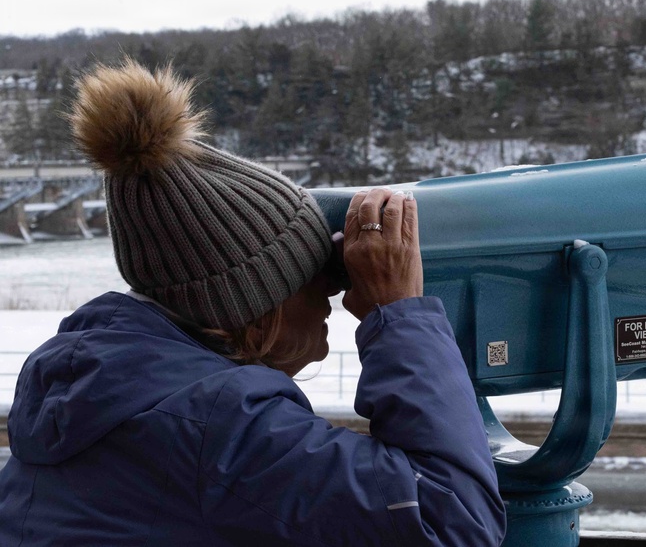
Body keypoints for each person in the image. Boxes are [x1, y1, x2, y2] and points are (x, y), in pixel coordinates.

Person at [0, 59, 506, 546]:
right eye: (311, 274)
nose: (332, 290)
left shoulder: (92, 389)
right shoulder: (215, 425)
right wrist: (397, 313)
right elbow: (451, 518)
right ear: (258, 306)